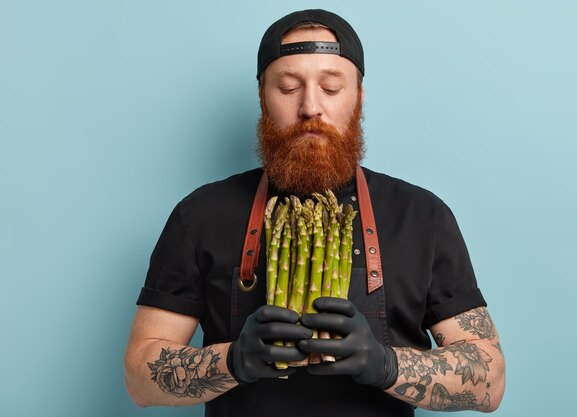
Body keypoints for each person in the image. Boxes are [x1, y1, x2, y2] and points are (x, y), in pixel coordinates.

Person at [124, 9, 506, 416]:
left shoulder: (421, 216)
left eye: (331, 87)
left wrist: (385, 364)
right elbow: (139, 379)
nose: (310, 107)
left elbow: (490, 382)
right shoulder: (200, 214)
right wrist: (233, 360)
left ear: (358, 96)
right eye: (288, 88)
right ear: (262, 96)